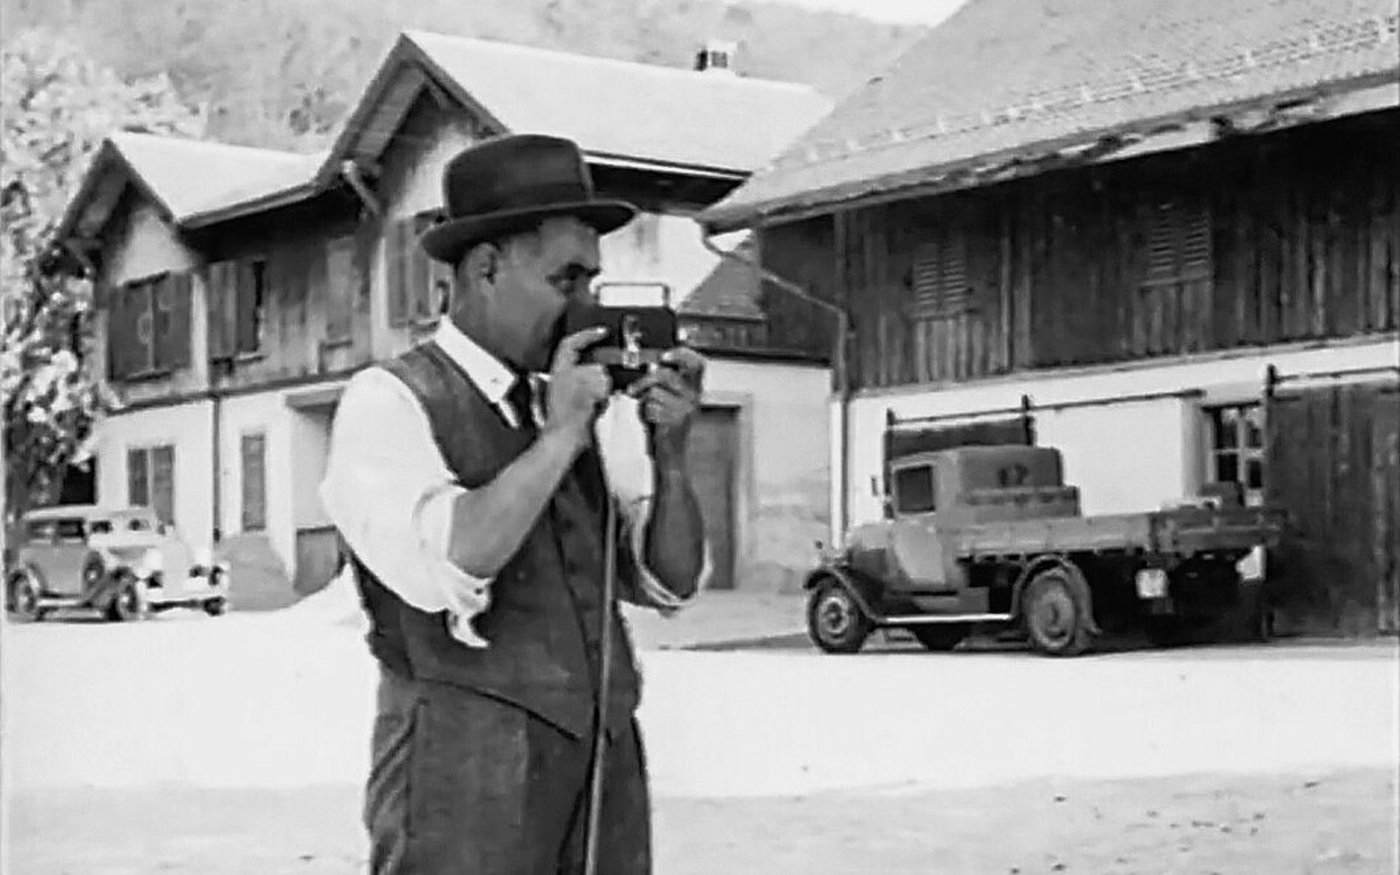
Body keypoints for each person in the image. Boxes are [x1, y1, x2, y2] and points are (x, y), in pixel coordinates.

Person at [320, 133, 710, 874]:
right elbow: (452, 562)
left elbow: (669, 581)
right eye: (566, 280)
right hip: (463, 777)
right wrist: (560, 437)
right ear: (486, 268)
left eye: (592, 281)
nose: (584, 307)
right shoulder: (389, 400)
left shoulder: (574, 399)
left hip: (602, 770)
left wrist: (672, 453)